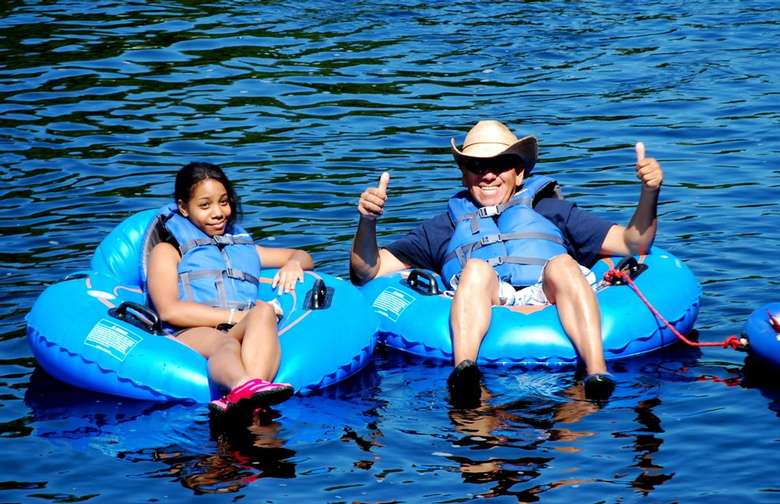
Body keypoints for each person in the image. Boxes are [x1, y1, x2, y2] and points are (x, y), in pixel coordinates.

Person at [350, 120, 663, 405]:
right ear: (464, 173)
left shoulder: (552, 211)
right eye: (476, 165)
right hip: (489, 295)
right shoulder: (443, 226)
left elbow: (633, 242)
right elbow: (368, 270)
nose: (487, 174)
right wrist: (367, 221)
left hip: (549, 289)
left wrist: (650, 192)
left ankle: (596, 374)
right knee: (474, 268)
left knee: (564, 265)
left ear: (520, 172)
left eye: (500, 165)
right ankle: (465, 374)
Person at [147, 162, 315, 416]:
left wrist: (293, 264)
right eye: (205, 205)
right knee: (224, 344)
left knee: (264, 310)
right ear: (183, 207)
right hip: (193, 332)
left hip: (238, 326)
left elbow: (302, 255)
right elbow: (169, 311)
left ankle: (250, 397)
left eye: (224, 202)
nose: (218, 213)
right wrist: (234, 317)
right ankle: (243, 388)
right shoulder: (167, 252)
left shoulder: (241, 248)